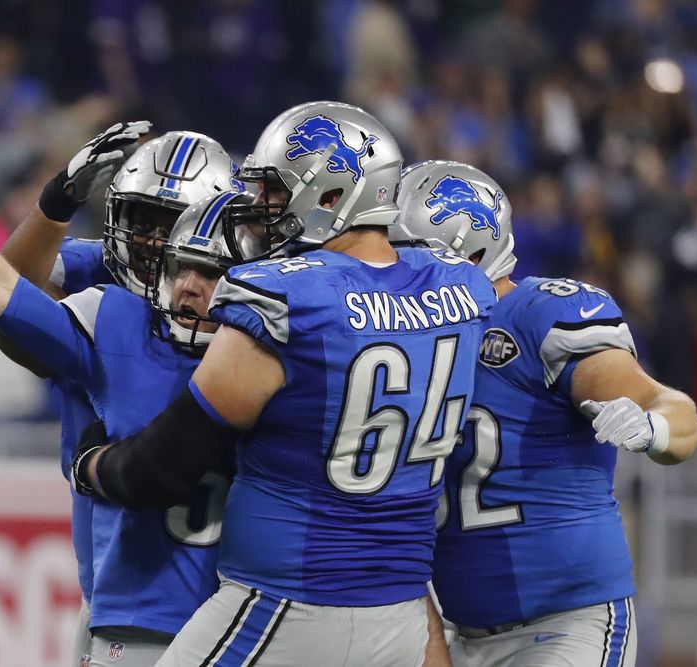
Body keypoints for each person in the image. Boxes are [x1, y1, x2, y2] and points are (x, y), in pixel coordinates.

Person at [69, 101, 496, 666]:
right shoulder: (460, 287)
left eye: (273, 192)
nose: (256, 208)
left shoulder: (284, 297)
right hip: (399, 607)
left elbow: (162, 467)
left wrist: (91, 465)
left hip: (290, 597)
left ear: (331, 197)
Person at [0, 134, 244, 667]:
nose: (149, 243)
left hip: (163, 602)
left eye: (168, 227)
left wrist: (95, 468)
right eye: (140, 222)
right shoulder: (267, 334)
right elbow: (1, 285)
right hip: (195, 604)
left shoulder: (119, 319)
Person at [392, 160, 697, 667]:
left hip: (568, 625)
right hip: (460, 633)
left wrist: (652, 427)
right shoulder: (409, 345)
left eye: (398, 251)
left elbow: (671, 408)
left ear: (465, 252)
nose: (385, 269)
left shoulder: (538, 314)